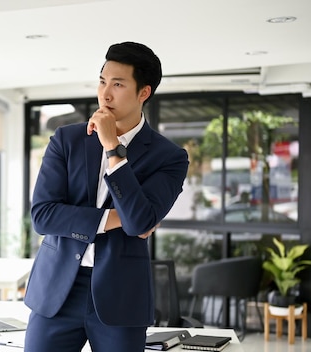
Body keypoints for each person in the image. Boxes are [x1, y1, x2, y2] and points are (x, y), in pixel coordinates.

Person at [23, 41, 189, 352]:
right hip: (57, 292)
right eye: (102, 81)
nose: (105, 93)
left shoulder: (170, 157)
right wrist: (117, 219)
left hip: (121, 297)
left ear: (143, 93)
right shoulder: (67, 140)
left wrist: (113, 149)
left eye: (118, 84)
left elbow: (139, 220)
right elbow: (43, 215)